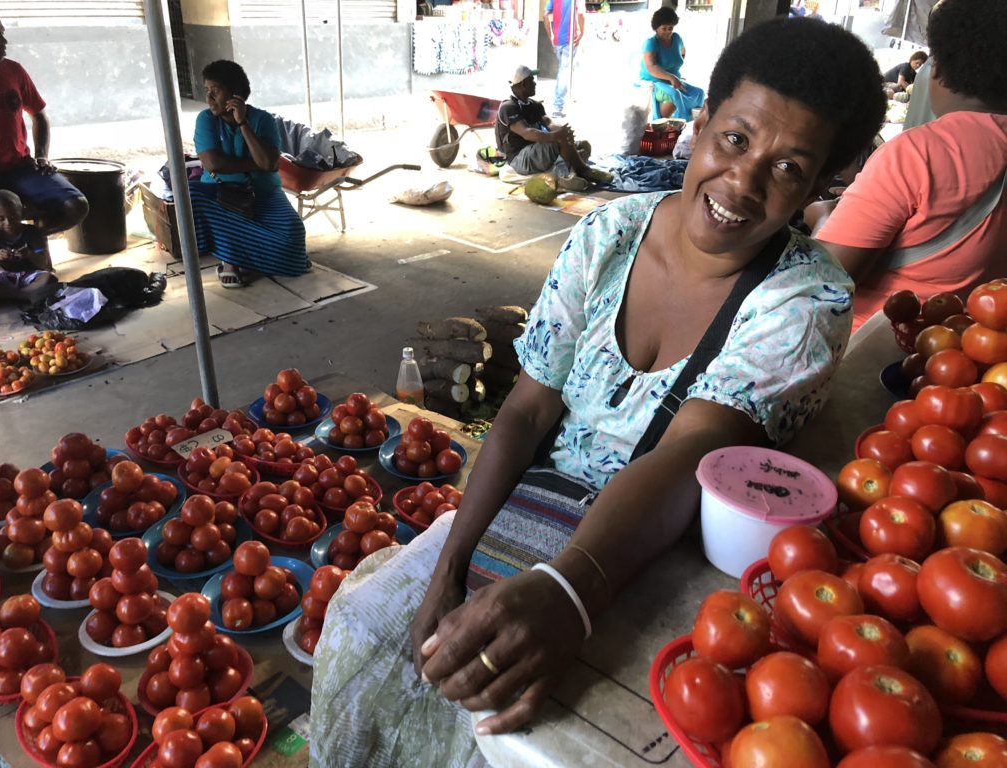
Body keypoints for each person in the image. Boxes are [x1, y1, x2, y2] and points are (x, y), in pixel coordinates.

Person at [308, 16, 885, 767]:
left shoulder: (806, 300)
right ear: (701, 122)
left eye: (788, 169)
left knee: (511, 733)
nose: (742, 184)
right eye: (735, 140)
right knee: (365, 629)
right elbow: (527, 406)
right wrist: (451, 561)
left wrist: (571, 595)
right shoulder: (609, 234)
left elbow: (696, 455)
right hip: (533, 500)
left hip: (653, 547)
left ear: (821, 187)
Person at [817, 0, 1007, 331]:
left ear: (939, 73)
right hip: (967, 357)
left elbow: (822, 282)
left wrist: (820, 217)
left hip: (875, 359)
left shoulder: (916, 153)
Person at [190, 60, 307, 288]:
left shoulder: (263, 120)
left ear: (235, 95)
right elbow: (213, 163)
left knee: (293, 236)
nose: (209, 98)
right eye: (207, 91)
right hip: (220, 192)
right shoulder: (206, 120)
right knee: (191, 196)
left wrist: (243, 123)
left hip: (262, 191)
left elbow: (269, 164)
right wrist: (255, 164)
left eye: (216, 91)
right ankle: (231, 261)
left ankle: (258, 254)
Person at [0, 6, 88, 234]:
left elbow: (38, 115)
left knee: (76, 206)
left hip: (21, 167)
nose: (4, 41)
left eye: (3, 32)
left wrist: (41, 155)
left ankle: (28, 243)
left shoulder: (14, 71)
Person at [494, 65, 612, 186]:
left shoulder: (535, 105)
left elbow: (549, 122)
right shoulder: (508, 107)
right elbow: (527, 133)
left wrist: (563, 132)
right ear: (523, 84)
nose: (535, 83)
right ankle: (579, 172)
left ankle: (568, 174)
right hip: (519, 159)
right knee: (558, 141)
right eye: (532, 80)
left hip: (536, 152)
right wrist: (557, 136)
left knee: (583, 145)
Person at [0, 189, 58, 304]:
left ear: (21, 212)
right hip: (4, 278)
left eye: (12, 217)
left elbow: (43, 264)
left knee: (49, 278)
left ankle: (12, 297)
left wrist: (29, 254)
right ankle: (25, 296)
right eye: (1, 219)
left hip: (29, 275)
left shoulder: (32, 232)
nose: (8, 222)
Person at [638, 6, 705, 120]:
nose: (668, 31)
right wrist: (671, 77)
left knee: (699, 93)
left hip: (674, 80)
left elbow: (682, 52)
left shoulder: (677, 38)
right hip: (654, 82)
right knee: (675, 94)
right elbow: (651, 66)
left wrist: (675, 74)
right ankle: (678, 125)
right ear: (656, 28)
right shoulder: (650, 43)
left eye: (671, 28)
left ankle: (692, 123)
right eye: (664, 28)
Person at [544, 0, 583, 119]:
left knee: (563, 70)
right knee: (564, 72)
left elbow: (545, 14)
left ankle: (562, 102)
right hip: (569, 40)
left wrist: (550, 34)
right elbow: (581, 14)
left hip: (558, 41)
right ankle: (558, 107)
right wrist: (582, 32)